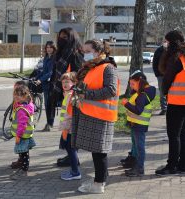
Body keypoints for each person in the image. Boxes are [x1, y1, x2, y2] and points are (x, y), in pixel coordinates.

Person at [72, 39, 119, 194]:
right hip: (93, 114)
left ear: (98, 51)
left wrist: (87, 94)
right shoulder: (93, 67)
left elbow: (111, 90)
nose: (84, 55)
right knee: (97, 151)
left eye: (87, 51)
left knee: (99, 152)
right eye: (83, 52)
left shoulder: (108, 67)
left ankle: (99, 185)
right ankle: (100, 179)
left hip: (102, 115)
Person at [155, 30, 185, 176]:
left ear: (172, 42)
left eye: (166, 41)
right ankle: (183, 165)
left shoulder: (176, 59)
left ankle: (172, 166)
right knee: (183, 133)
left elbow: (167, 80)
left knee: (174, 135)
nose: (165, 44)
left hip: (179, 102)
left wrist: (165, 92)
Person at [49, 27, 84, 167]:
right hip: (63, 93)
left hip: (72, 95)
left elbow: (78, 76)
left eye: (65, 37)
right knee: (66, 125)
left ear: (71, 38)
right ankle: (70, 155)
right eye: (60, 36)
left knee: (70, 127)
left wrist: (71, 92)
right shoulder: (61, 52)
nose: (61, 39)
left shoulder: (75, 53)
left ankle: (73, 158)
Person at [121, 70, 156, 177]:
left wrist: (126, 104)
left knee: (140, 147)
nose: (131, 86)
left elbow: (138, 110)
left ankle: (139, 169)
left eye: (133, 84)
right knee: (137, 146)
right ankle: (137, 167)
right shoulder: (142, 93)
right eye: (130, 84)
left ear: (140, 82)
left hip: (139, 125)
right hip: (137, 124)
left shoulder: (142, 95)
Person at [10, 85, 36, 180]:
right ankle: (22, 167)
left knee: (24, 153)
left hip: (22, 135)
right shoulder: (28, 105)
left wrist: (18, 136)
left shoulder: (22, 110)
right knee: (23, 152)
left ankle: (24, 170)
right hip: (26, 134)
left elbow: (22, 124)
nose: (16, 97)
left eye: (19, 95)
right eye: (15, 95)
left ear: (25, 96)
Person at [58, 72, 81, 180]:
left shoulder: (71, 96)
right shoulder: (67, 94)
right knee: (71, 149)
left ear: (74, 82)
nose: (65, 84)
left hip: (69, 128)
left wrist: (66, 129)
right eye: (63, 82)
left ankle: (75, 172)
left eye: (67, 82)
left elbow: (70, 114)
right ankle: (74, 169)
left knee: (71, 149)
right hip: (68, 127)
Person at [35, 41, 56, 132]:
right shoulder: (46, 57)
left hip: (52, 84)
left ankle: (50, 124)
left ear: (54, 48)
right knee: (47, 105)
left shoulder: (55, 58)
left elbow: (51, 72)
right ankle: (49, 123)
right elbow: (44, 71)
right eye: (47, 47)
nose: (49, 49)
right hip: (45, 84)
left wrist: (41, 79)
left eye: (51, 47)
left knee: (50, 105)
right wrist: (36, 78)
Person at [153, 41, 168, 115]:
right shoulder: (158, 50)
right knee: (162, 92)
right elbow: (154, 62)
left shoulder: (172, 50)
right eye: (165, 41)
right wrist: (157, 74)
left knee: (170, 92)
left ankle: (170, 107)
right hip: (161, 75)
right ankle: (164, 108)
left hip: (170, 74)